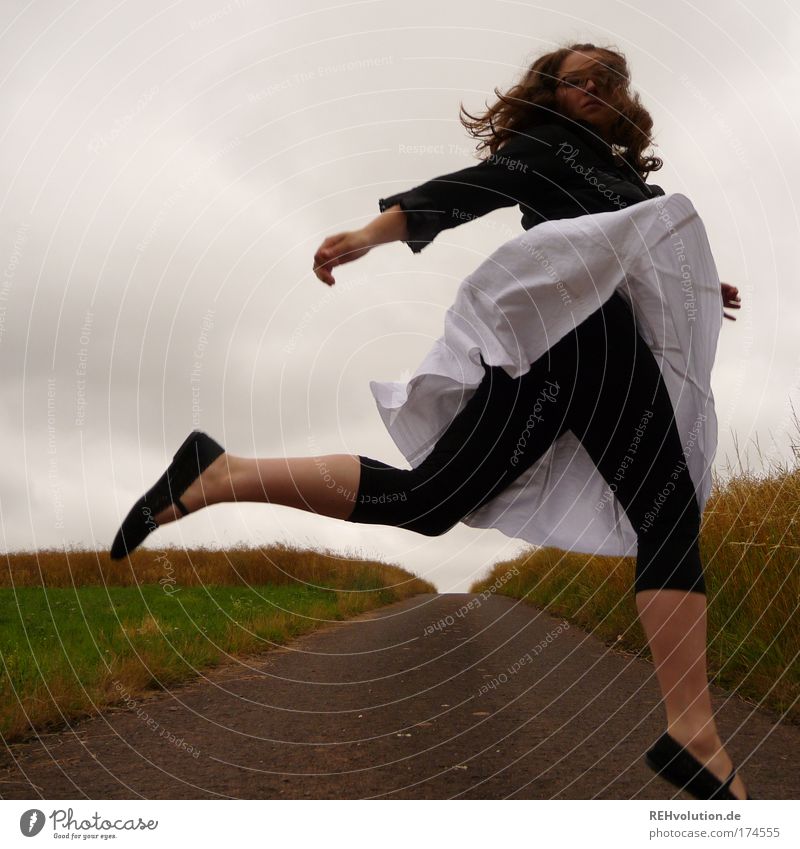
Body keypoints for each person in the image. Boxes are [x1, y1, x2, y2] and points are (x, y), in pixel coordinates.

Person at [110, 42, 747, 800]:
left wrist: (700, 283)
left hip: (566, 345)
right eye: (581, 78)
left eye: (609, 80)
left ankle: (222, 473)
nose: (598, 88)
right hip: (585, 338)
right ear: (550, 93)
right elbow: (466, 190)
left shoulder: (611, 171)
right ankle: (693, 731)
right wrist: (368, 235)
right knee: (666, 513)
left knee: (431, 500)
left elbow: (615, 245)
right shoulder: (549, 146)